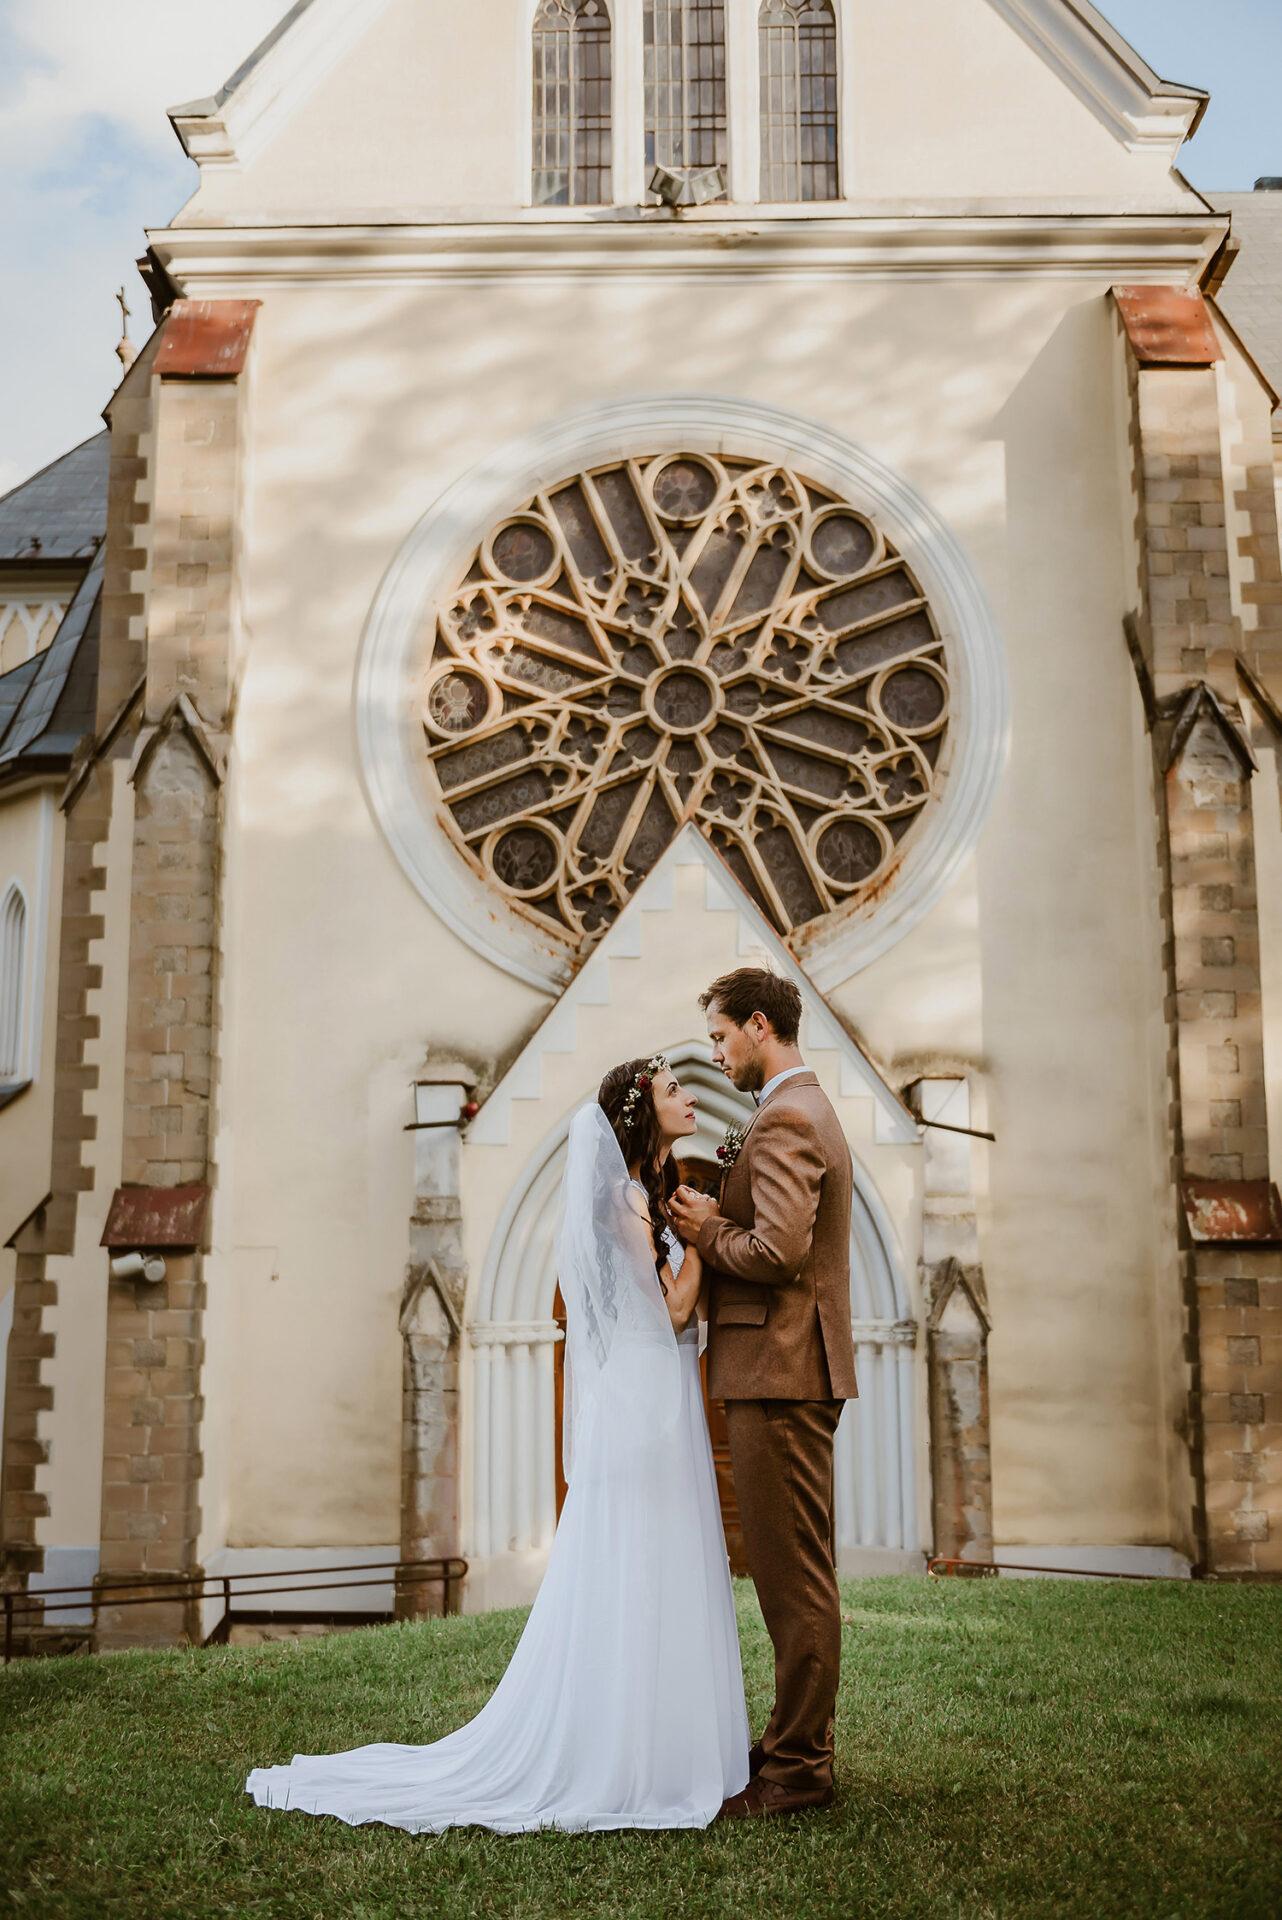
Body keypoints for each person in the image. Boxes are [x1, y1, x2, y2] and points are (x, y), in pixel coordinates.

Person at [244, 1057, 749, 1833]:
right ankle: (631, 1755)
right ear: (641, 1113)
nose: (686, 1097)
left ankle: (668, 1742)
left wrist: (696, 1232)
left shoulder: (648, 1193)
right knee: (645, 1553)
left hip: (656, 1389)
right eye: (672, 1090)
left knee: (661, 1553)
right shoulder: (623, 1199)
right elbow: (675, 1313)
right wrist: (710, 1240)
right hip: (647, 1394)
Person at [669, 967, 857, 1819]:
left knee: (793, 1580)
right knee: (791, 1573)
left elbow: (778, 1252)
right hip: (781, 1370)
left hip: (780, 1372)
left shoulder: (786, 1116)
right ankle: (790, 1746)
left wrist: (707, 1227)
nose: (715, 1052)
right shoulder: (794, 1110)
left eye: (718, 1037)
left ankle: (798, 1773)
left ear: (756, 1025)